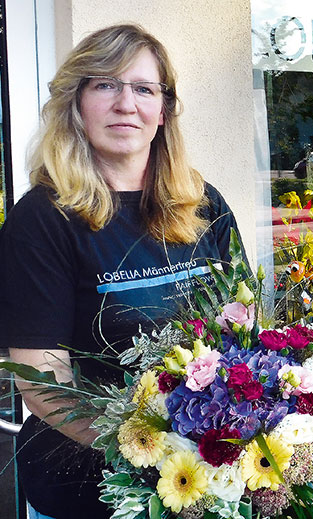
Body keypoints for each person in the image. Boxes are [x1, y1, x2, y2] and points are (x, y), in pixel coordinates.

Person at [0, 24, 243, 519]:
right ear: (77, 102)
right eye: (105, 84)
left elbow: (240, 323)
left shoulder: (203, 202)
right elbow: (43, 380)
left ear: (163, 110)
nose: (125, 103)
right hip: (88, 485)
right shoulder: (42, 220)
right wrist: (150, 450)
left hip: (203, 481)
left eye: (143, 88)